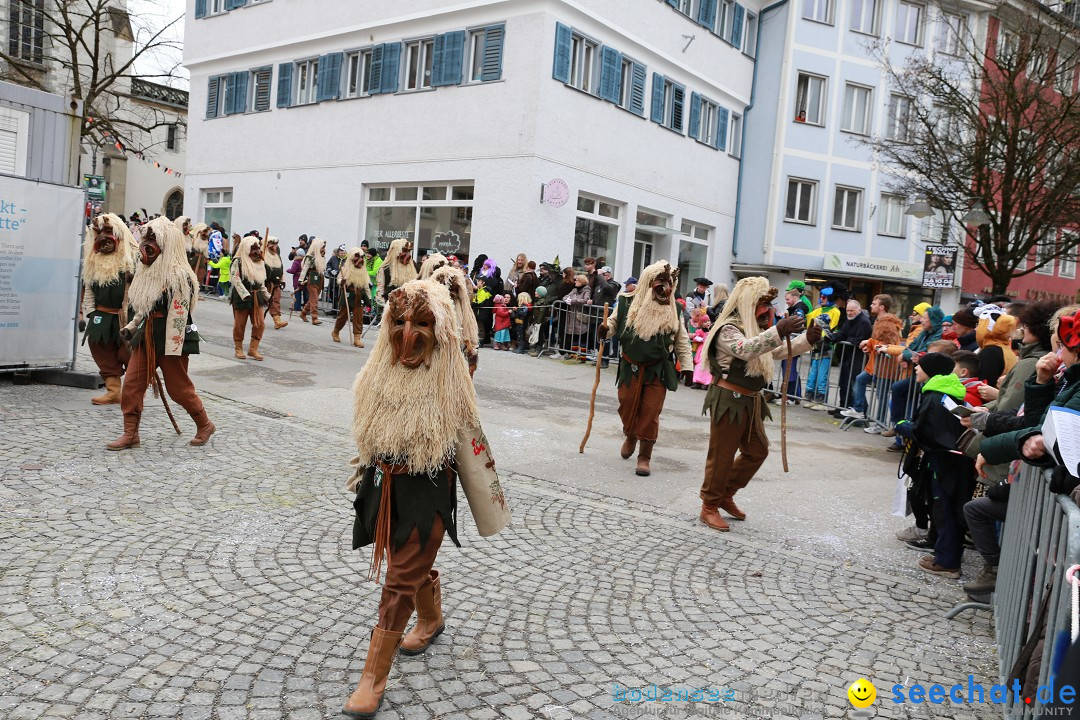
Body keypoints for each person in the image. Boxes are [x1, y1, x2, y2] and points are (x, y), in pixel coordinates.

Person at [341, 279, 509, 718]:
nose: (408, 335)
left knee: (398, 580)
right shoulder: (375, 374)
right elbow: (367, 435)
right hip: (384, 485)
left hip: (428, 488)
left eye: (423, 323)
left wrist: (488, 500)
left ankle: (372, 678)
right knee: (406, 562)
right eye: (399, 322)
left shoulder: (451, 380)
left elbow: (473, 442)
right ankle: (432, 619)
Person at [698, 277, 822, 531]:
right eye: (762, 304)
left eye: (769, 304)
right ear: (748, 303)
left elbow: (773, 351)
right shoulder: (728, 328)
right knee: (721, 456)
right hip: (728, 398)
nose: (768, 310)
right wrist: (778, 331)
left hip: (752, 400)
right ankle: (709, 506)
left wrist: (806, 339)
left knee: (757, 450)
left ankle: (725, 494)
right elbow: (746, 349)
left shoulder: (755, 327)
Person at [108, 217, 214, 450]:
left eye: (153, 239)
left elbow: (179, 314)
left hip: (171, 339)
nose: (147, 244)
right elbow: (143, 308)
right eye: (146, 238)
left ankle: (204, 424)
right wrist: (132, 328)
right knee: (133, 384)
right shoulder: (146, 272)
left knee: (178, 388)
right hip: (146, 336)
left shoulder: (179, 275)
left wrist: (172, 346)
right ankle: (131, 434)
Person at [597, 261, 694, 476]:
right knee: (626, 404)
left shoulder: (674, 308)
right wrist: (605, 330)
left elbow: (682, 340)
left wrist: (687, 367)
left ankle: (644, 456)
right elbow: (613, 323)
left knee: (650, 412)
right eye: (660, 281)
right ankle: (631, 434)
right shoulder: (626, 301)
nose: (665, 287)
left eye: (669, 282)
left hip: (657, 368)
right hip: (630, 365)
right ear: (648, 282)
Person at [895, 352, 976, 578]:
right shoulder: (949, 391)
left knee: (945, 509)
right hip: (956, 459)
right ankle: (944, 555)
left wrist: (904, 427)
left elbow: (928, 432)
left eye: (920, 366)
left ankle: (947, 563)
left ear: (930, 370)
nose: (916, 370)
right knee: (947, 509)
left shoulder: (934, 395)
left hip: (945, 461)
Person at [80, 213, 138, 405]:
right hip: (101, 315)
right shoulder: (92, 259)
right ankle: (113, 390)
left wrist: (137, 316)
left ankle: (133, 393)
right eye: (99, 233)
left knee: (130, 353)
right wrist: (90, 312)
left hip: (126, 316)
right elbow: (88, 287)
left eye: (108, 231)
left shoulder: (132, 258)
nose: (104, 238)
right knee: (100, 348)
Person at [429, 265, 480, 376]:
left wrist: (472, 353)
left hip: (456, 352)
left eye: (452, 289)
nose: (449, 291)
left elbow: (469, 335)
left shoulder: (463, 308)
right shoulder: (433, 305)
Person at [827, 299, 873, 415]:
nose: (849, 313)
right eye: (847, 310)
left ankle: (861, 411)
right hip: (847, 356)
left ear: (858, 309)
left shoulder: (864, 322)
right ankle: (843, 406)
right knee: (844, 383)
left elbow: (859, 340)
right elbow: (843, 333)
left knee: (854, 385)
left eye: (851, 310)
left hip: (858, 358)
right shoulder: (849, 320)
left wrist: (846, 339)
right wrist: (833, 336)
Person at [229, 235, 270, 361]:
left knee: (260, 324)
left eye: (257, 248)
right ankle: (238, 348)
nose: (256, 251)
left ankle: (253, 349)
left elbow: (260, 282)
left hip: (257, 297)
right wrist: (244, 293)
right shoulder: (238, 261)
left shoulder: (259, 262)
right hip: (242, 298)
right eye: (253, 248)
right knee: (240, 324)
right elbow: (235, 278)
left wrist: (267, 295)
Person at [803, 287, 841, 410]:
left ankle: (820, 401)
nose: (821, 299)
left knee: (822, 376)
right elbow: (807, 318)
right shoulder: (818, 310)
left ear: (830, 298)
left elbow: (831, 327)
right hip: (816, 345)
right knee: (813, 374)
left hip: (826, 346)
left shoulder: (835, 311)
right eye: (821, 296)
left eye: (824, 297)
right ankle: (811, 397)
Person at [777, 281, 812, 405]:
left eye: (787, 299)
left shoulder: (800, 309)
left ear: (795, 297)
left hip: (793, 343)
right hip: (791, 342)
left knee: (789, 369)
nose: (786, 301)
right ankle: (794, 396)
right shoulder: (795, 308)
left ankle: (790, 397)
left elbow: (798, 323)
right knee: (789, 369)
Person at [331, 246, 372, 349]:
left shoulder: (363, 271)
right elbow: (339, 279)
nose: (360, 260)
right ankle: (336, 331)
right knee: (343, 316)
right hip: (348, 295)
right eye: (357, 257)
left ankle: (357, 338)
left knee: (359, 317)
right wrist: (342, 282)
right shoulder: (346, 268)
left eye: (362, 257)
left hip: (359, 296)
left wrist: (369, 298)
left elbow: (366, 285)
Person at [377, 238, 420, 306]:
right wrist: (386, 308)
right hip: (391, 309)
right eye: (404, 251)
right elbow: (380, 293)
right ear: (396, 252)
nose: (408, 254)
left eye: (409, 251)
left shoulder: (414, 267)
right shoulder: (386, 269)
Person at [562, 274, 592, 361]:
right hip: (572, 316)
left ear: (581, 282)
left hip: (580, 316)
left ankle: (582, 357)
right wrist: (567, 300)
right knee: (574, 335)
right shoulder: (574, 290)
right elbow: (565, 296)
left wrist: (572, 301)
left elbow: (585, 300)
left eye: (577, 280)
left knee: (582, 336)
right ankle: (573, 354)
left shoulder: (586, 290)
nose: (575, 282)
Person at [298, 237, 327, 325]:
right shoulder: (310, 256)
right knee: (314, 298)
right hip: (312, 278)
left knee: (314, 298)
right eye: (322, 247)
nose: (324, 249)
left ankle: (303, 313)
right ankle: (314, 317)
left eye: (324, 247)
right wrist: (301, 279)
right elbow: (305, 268)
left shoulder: (322, 256)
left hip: (320, 278)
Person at [263, 236, 288, 330]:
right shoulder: (262, 255)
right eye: (272, 244)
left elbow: (281, 269)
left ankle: (277, 321)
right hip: (264, 284)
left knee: (276, 301)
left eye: (276, 244)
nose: (274, 246)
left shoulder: (278, 256)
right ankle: (257, 319)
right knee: (258, 302)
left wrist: (283, 280)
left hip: (275, 283)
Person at [327, 244, 346, 311]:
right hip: (333, 280)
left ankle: (339, 310)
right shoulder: (333, 258)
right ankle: (334, 309)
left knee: (340, 296)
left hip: (341, 281)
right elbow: (328, 265)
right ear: (338, 252)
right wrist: (330, 271)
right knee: (332, 295)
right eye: (341, 253)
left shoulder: (347, 259)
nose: (342, 254)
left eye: (343, 253)